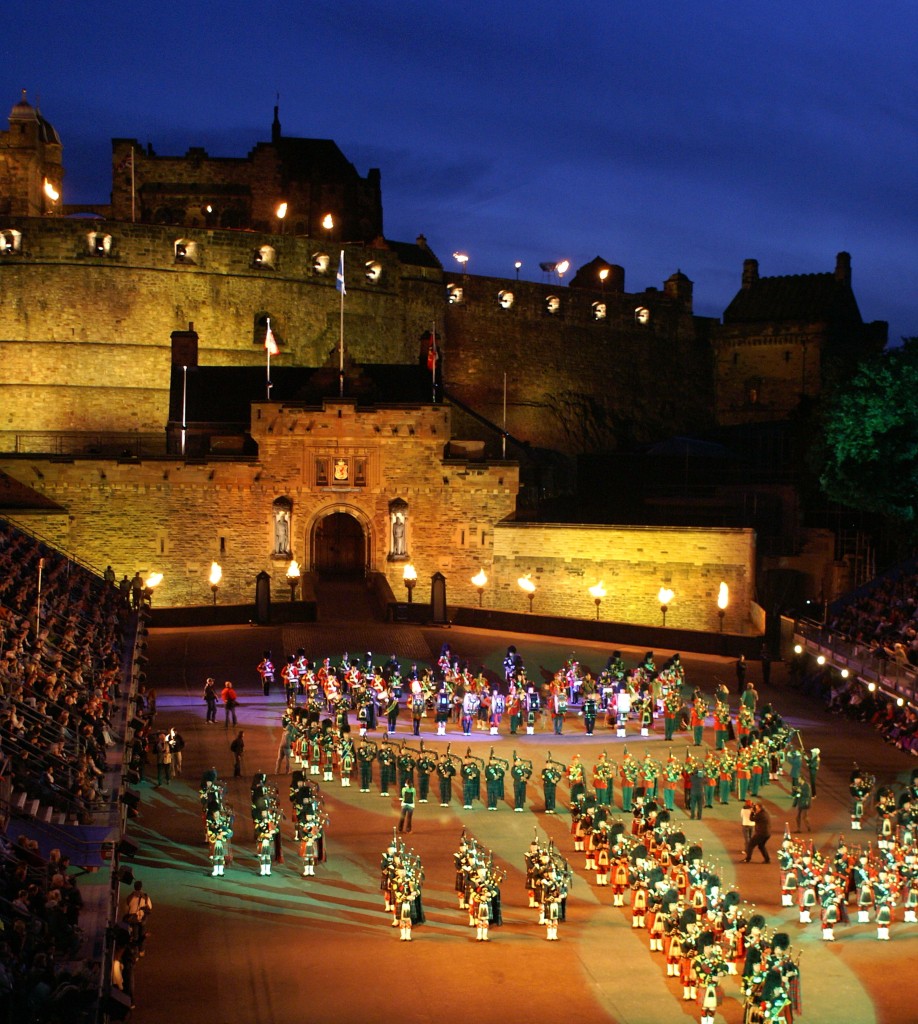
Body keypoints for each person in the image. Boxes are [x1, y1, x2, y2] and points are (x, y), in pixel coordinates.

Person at [124, 880, 152, 956]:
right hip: (142, 919)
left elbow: (126, 910)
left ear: (134, 887)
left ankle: (135, 953)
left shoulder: (130, 897)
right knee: (142, 935)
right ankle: (141, 951)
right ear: (141, 887)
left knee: (135, 937)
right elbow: (150, 907)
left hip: (133, 920)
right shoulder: (145, 897)